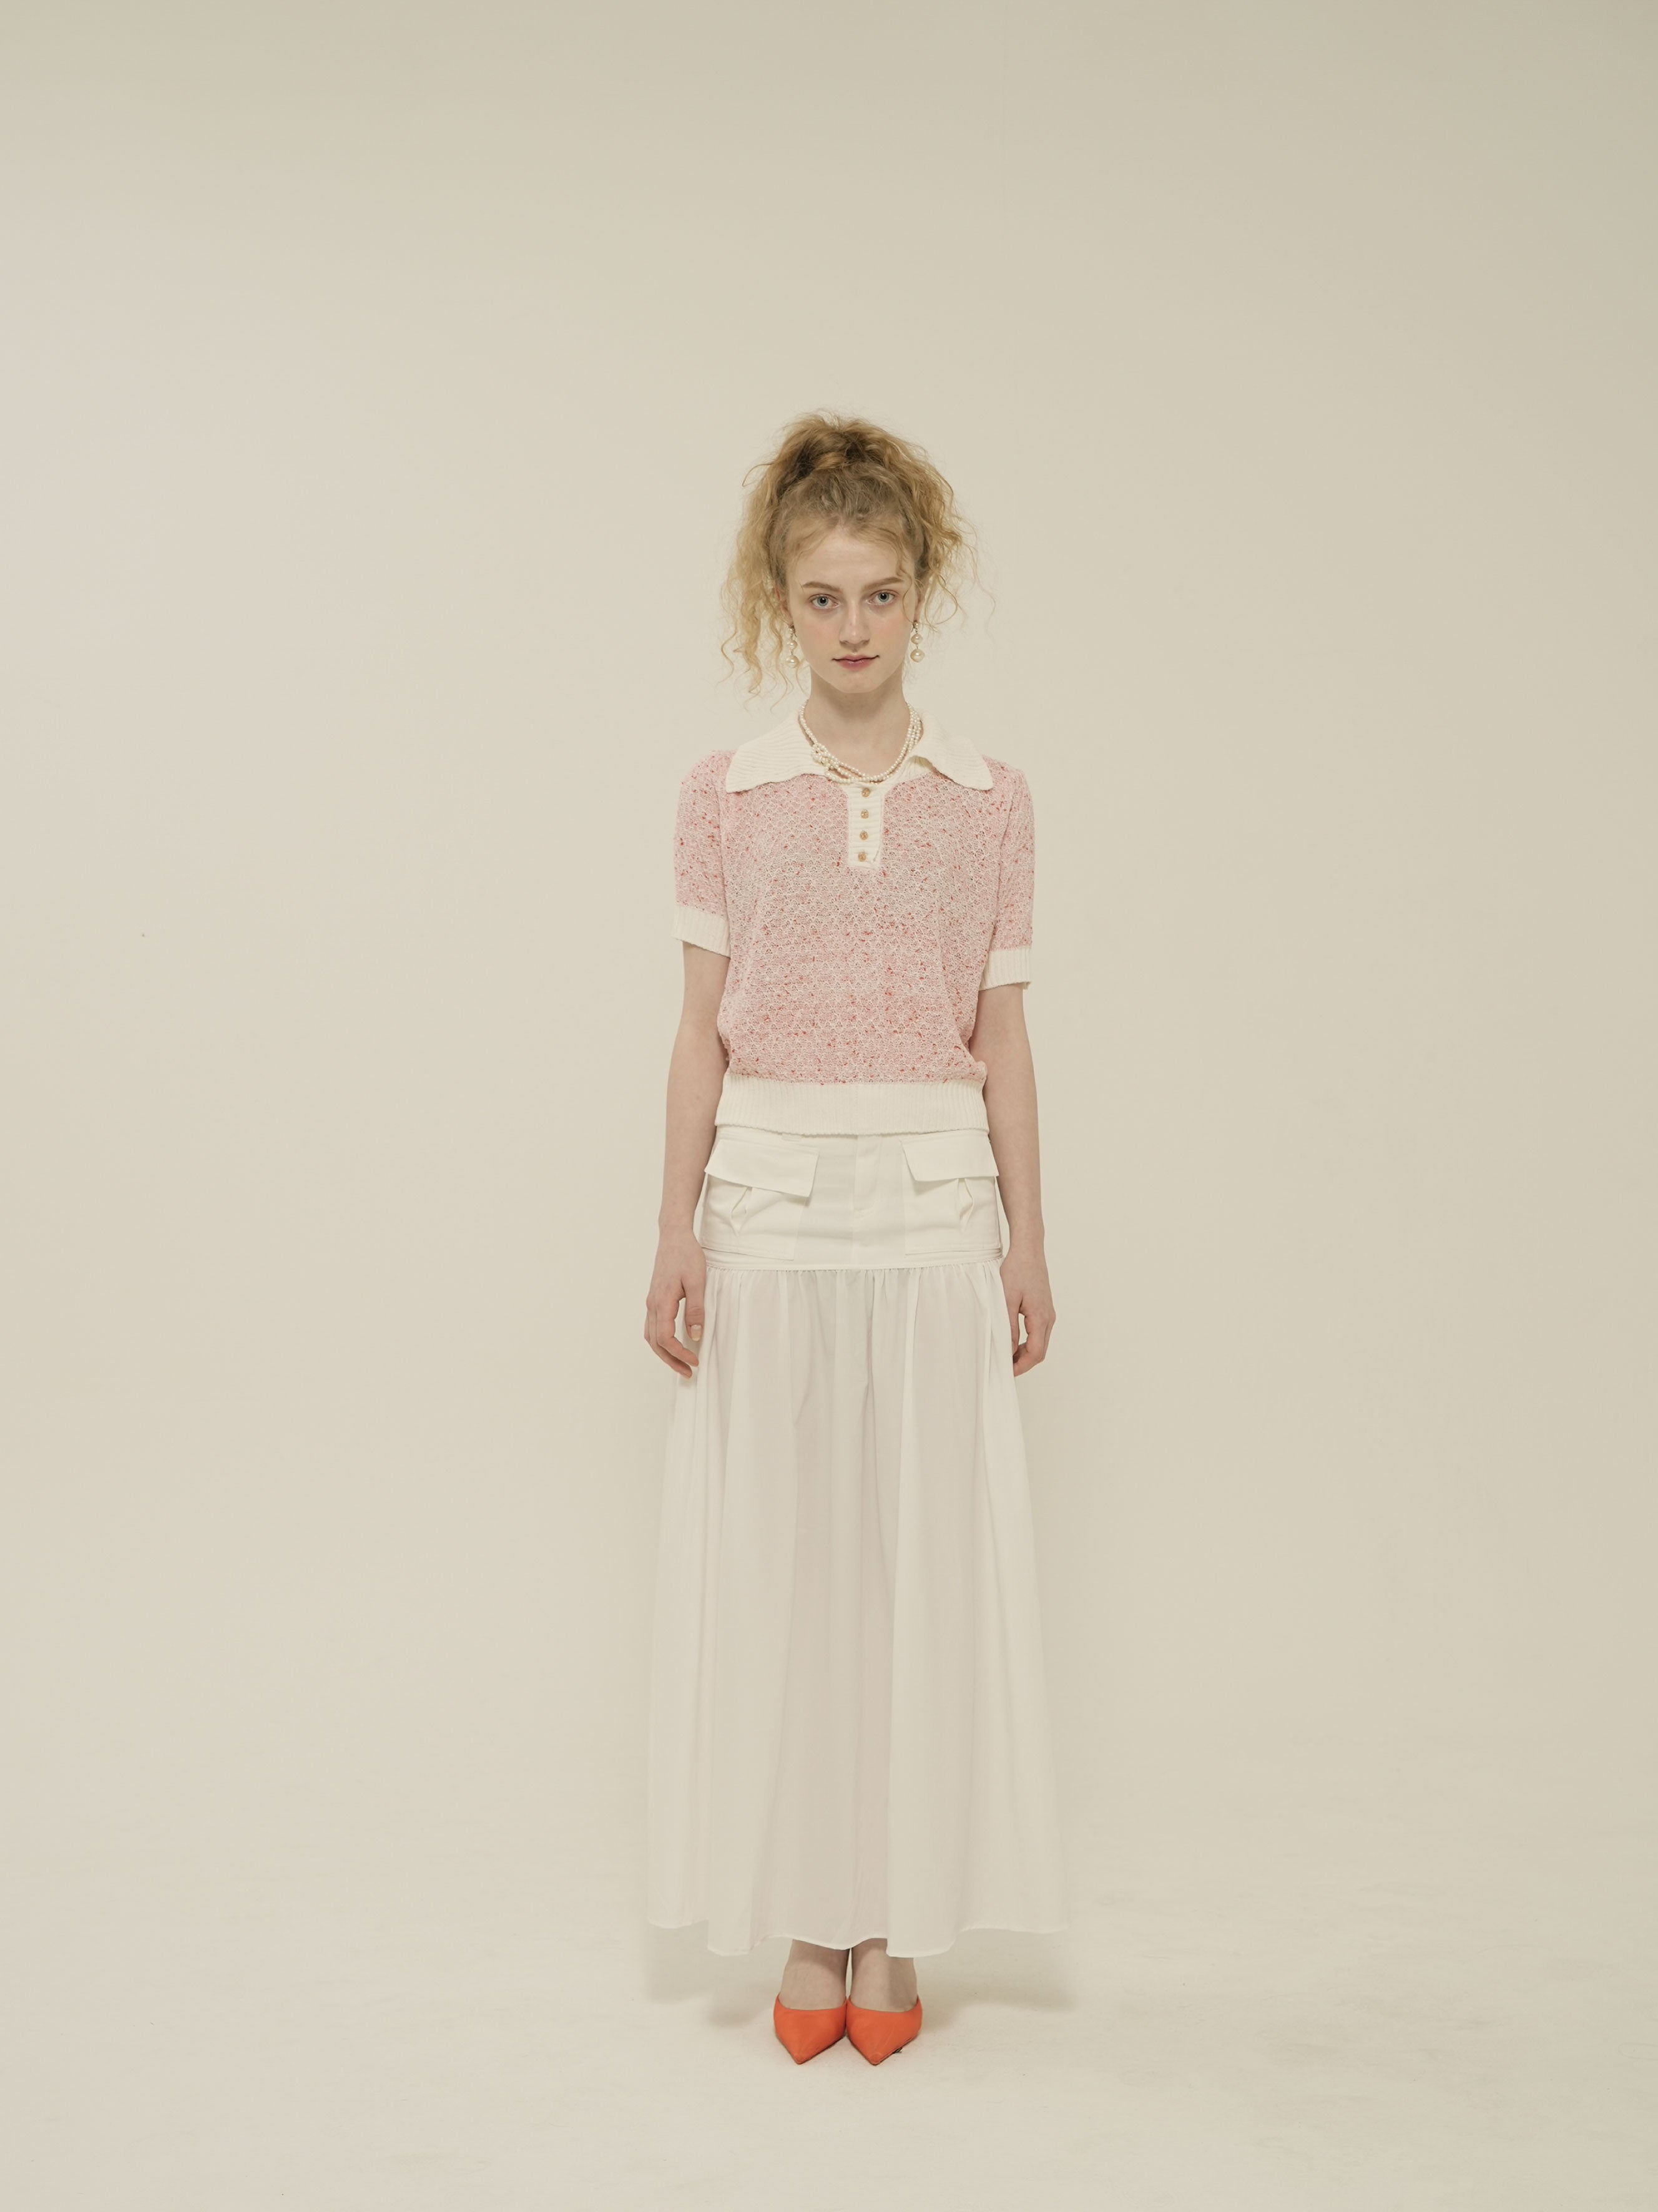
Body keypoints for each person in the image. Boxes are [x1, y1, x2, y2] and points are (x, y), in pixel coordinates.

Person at [642, 412, 1066, 2065]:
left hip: (936, 1205)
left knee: (913, 1567)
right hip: (768, 1204)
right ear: (782, 604)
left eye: (881, 594)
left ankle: (888, 1919)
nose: (854, 626)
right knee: (792, 1568)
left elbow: (1006, 1038)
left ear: (920, 595)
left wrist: (1029, 1238)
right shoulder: (724, 796)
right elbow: (698, 1031)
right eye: (823, 598)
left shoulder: (991, 801)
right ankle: (806, 1915)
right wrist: (673, 1227)